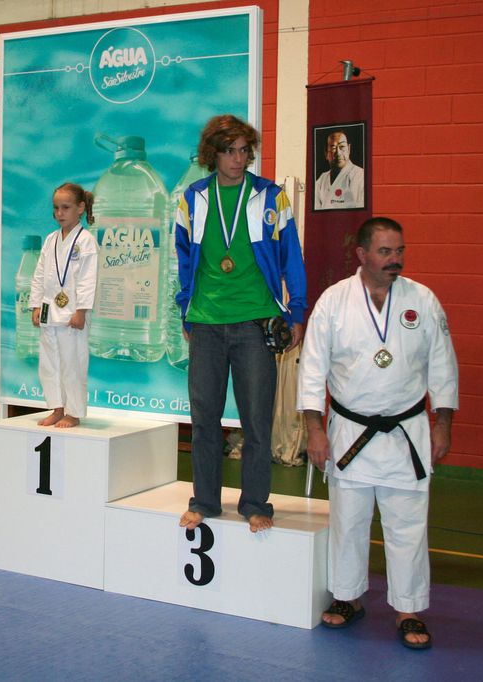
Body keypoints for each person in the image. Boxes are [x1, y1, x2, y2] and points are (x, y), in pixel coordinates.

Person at [297, 217, 458, 649]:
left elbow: (443, 366)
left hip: (407, 431)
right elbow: (312, 369)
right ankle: (348, 597)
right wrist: (315, 430)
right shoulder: (334, 301)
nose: (395, 259)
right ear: (362, 254)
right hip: (350, 430)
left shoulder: (422, 300)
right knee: (348, 522)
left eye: (399, 251)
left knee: (407, 526)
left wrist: (443, 424)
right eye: (385, 252)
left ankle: (409, 609)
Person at [175, 114, 307, 534]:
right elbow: (183, 258)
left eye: (244, 150)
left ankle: (255, 503)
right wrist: (185, 307)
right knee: (205, 421)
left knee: (256, 422)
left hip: (255, 322)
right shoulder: (193, 198)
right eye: (230, 151)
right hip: (206, 323)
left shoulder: (270, 197)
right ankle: (204, 500)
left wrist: (296, 310)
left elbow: (291, 256)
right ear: (212, 154)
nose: (238, 158)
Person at [30, 182, 98, 428]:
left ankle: (73, 412)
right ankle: (57, 407)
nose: (59, 213)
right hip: (49, 311)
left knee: (73, 363)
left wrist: (81, 311)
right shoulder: (51, 240)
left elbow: (88, 279)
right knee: (49, 363)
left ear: (80, 208)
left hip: (72, 314)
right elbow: (39, 274)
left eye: (65, 207)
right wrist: (36, 304)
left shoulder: (86, 241)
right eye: (56, 208)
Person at [314, 130, 365, 210]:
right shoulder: (322, 179)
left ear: (349, 149)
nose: (338, 153)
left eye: (342, 147)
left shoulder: (360, 176)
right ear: (326, 153)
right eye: (333, 148)